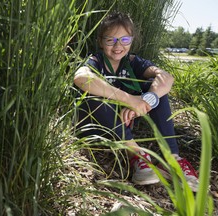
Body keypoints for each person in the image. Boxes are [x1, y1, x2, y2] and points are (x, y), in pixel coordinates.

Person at [73, 11, 199, 191]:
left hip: (126, 121)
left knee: (155, 89)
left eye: (125, 40)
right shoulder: (96, 61)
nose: (118, 46)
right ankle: (137, 154)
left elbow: (166, 77)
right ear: (101, 41)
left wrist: (146, 100)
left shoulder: (132, 62)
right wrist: (130, 100)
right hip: (99, 124)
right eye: (111, 40)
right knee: (93, 95)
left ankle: (172, 159)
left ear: (131, 40)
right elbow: (81, 78)